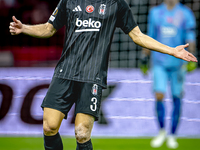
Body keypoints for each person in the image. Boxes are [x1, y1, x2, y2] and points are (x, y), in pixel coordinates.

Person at [9, 0, 197, 150]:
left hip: (92, 76)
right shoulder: (68, 1)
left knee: (82, 133)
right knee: (49, 127)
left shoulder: (117, 4)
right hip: (64, 73)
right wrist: (24, 28)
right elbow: (48, 29)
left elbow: (138, 36)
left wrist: (171, 50)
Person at [140, 0, 196, 149]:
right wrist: (144, 57)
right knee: (159, 95)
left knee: (177, 96)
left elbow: (190, 36)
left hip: (178, 64)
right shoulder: (155, 13)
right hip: (159, 62)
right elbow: (150, 36)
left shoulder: (185, 13)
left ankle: (172, 134)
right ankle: (162, 131)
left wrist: (192, 55)